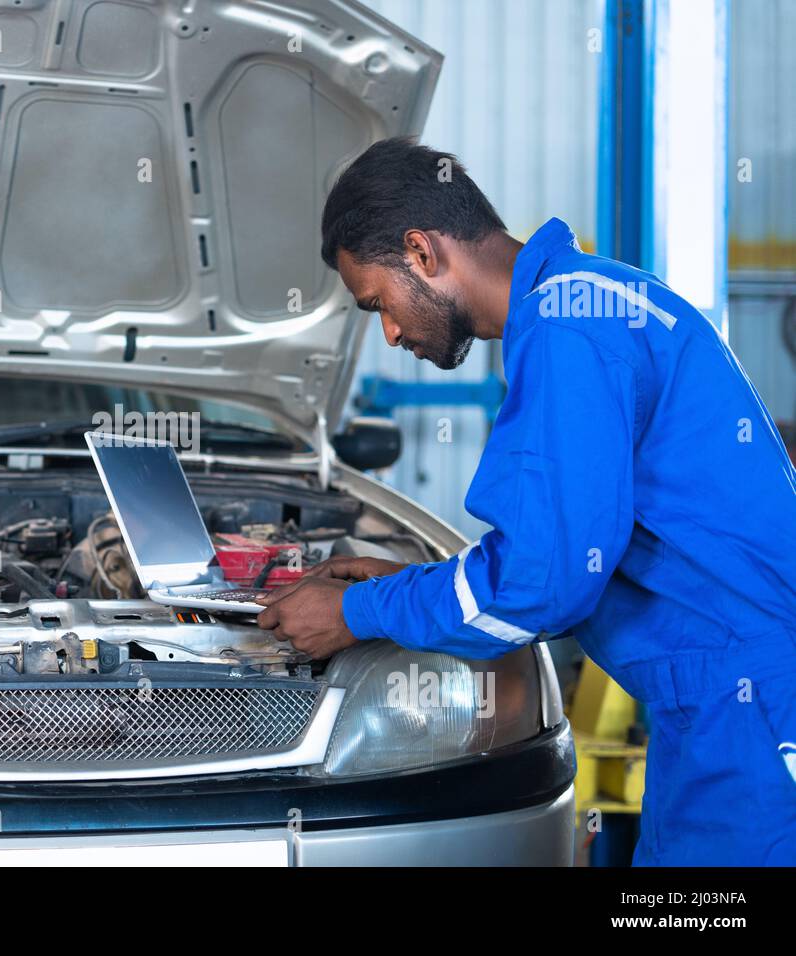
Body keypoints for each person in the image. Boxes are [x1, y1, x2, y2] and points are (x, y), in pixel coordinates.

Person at [257, 137, 796, 865]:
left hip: (753, 721)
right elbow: (558, 550)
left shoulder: (570, 331)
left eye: (377, 303)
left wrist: (359, 613)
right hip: (722, 706)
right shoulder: (585, 303)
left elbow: (541, 586)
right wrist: (403, 582)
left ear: (421, 252)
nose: (388, 331)